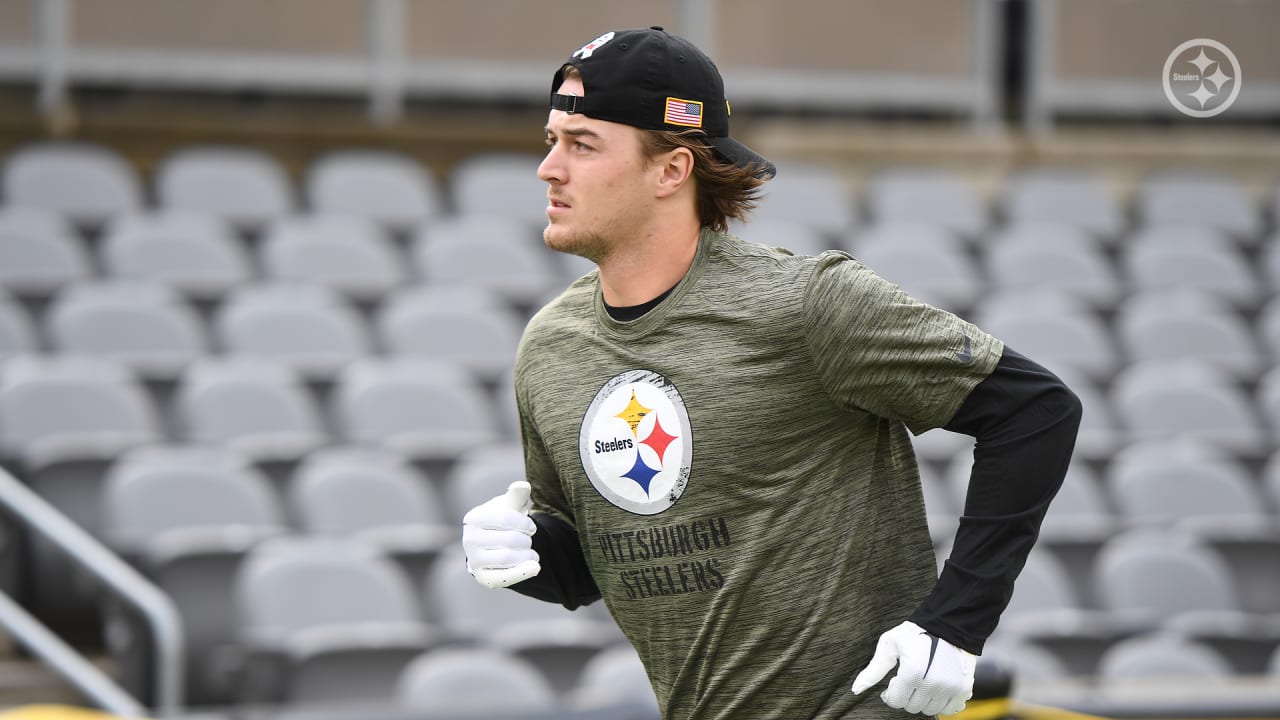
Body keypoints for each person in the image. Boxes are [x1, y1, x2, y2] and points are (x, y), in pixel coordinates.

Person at [461, 26, 1081, 720]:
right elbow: (596, 566)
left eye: (582, 144)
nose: (550, 168)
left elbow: (1036, 411)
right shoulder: (550, 346)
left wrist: (955, 622)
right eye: (552, 141)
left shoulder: (808, 302)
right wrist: (526, 555)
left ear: (670, 170)